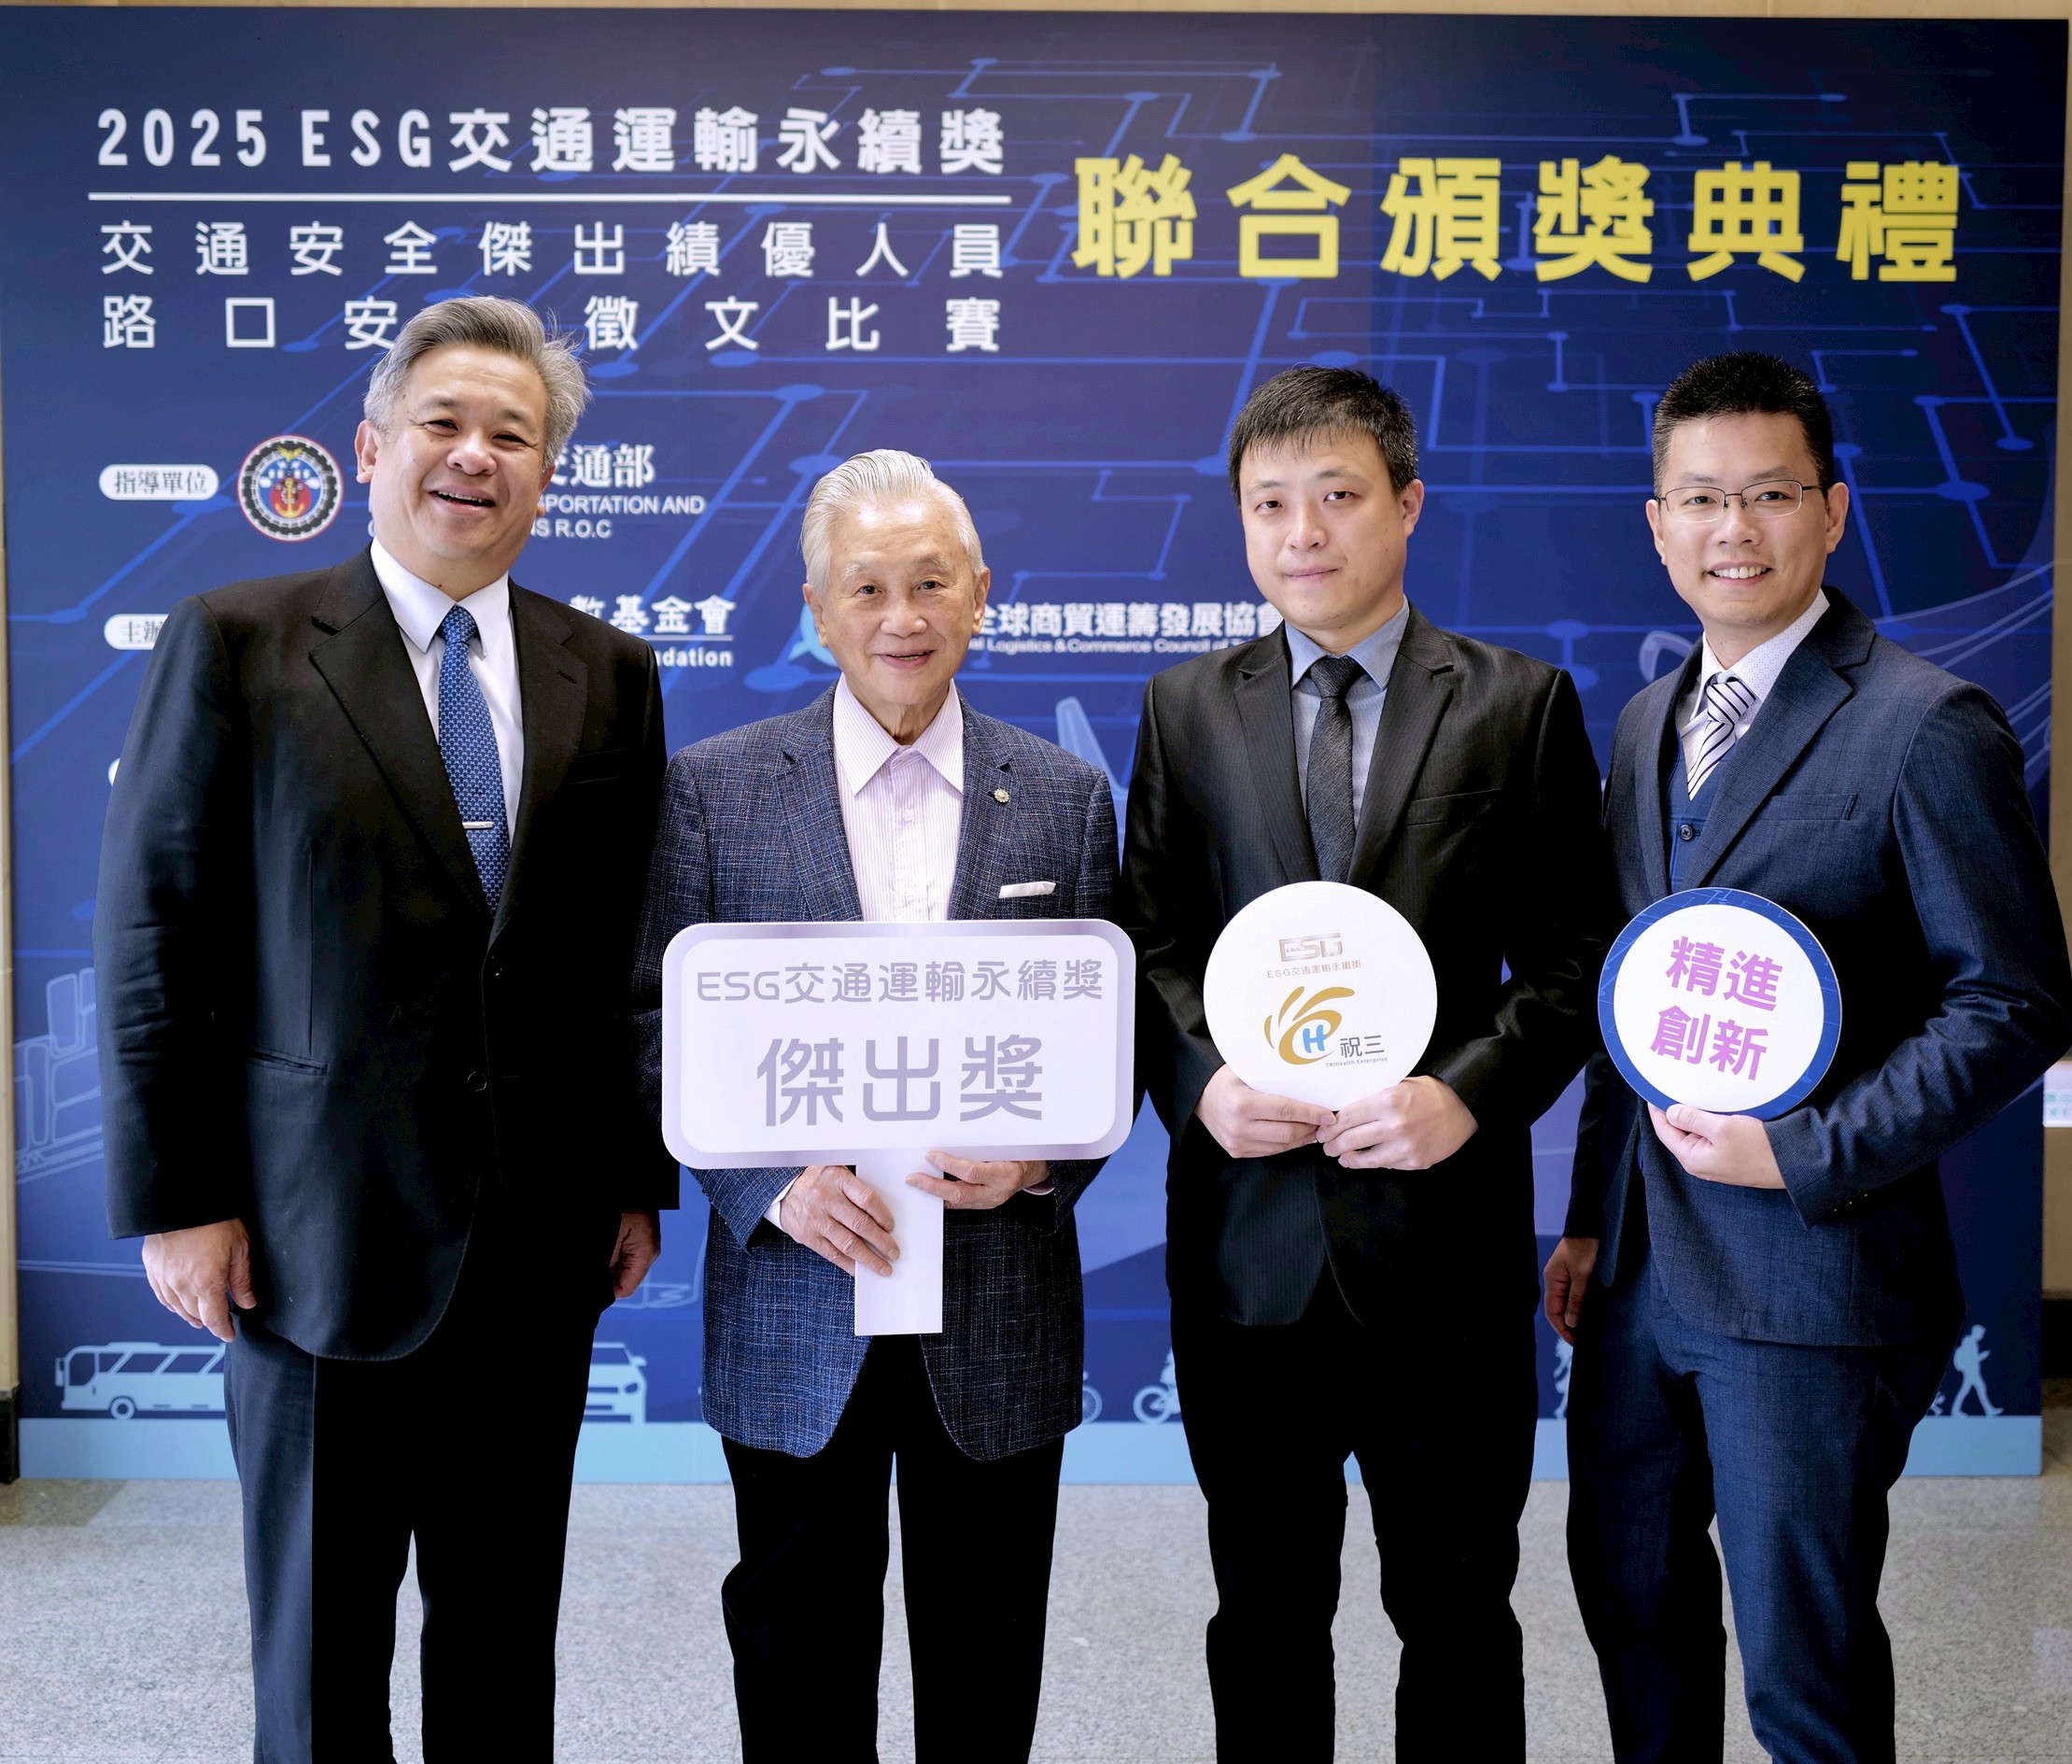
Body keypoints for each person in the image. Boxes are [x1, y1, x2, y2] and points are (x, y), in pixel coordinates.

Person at [96, 295, 675, 1762]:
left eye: (513, 435)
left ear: (547, 474)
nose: (476, 455)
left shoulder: (609, 671)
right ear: (369, 448)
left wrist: (631, 1176)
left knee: (501, 1646)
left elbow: (621, 950)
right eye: (444, 423)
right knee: (319, 1658)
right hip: (312, 1238)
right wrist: (178, 1199)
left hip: (535, 1244)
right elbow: (156, 934)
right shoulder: (238, 642)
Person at [1548, 350, 2072, 1763]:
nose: (1734, 528)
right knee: (1633, 1607)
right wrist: (1591, 1216)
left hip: (1812, 1280)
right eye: (1700, 499)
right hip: (1639, 1277)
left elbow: (2016, 1001)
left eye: (1770, 494)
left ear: (1833, 511)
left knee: (1804, 1664)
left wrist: (1804, 1150)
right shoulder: (1648, 722)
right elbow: (1635, 1001)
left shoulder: (1924, 722)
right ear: (1657, 523)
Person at [1122, 366, 1613, 1759]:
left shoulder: (1517, 702)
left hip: (1442, 1248)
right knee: (1264, 1610)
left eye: (1337, 495)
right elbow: (1147, 940)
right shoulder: (1184, 706)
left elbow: (1576, 957)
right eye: (1268, 503)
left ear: (1406, 502)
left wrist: (1466, 1095)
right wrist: (1202, 1083)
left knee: (1457, 1612)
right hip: (1249, 1247)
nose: (1303, 532)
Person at [630, 448, 1117, 1763]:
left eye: (931, 583)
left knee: (986, 1661)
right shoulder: (716, 788)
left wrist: (1037, 1165)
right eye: (866, 587)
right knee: (798, 1659)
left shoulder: (1065, 799)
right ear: (816, 607)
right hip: (798, 1295)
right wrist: (768, 1185)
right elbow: (654, 1020)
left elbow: (1108, 1037)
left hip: (996, 1296)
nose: (902, 617)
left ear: (981, 594)